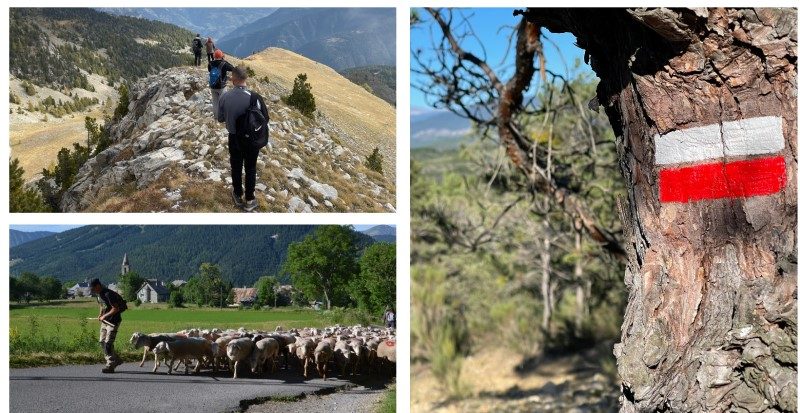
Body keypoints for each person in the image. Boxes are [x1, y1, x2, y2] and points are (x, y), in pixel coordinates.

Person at [216, 66, 268, 212]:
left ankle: (238, 195)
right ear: (245, 78)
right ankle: (250, 200)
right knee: (251, 168)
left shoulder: (225, 96)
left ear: (233, 78)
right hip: (251, 140)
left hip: (234, 138)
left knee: (236, 166)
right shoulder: (255, 97)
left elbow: (220, 118)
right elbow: (265, 119)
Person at [90, 278, 126, 373]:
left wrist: (104, 316)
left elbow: (115, 308)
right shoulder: (99, 295)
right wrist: (100, 314)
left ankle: (110, 365)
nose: (92, 291)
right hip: (105, 322)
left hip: (113, 321)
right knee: (102, 342)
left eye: (93, 289)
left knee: (108, 344)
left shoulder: (108, 294)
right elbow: (102, 305)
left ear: (98, 286)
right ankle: (116, 360)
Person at [208, 49, 235, 117]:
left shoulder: (210, 63)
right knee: (223, 102)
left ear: (214, 56)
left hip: (213, 85)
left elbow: (209, 70)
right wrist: (224, 60)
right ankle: (223, 117)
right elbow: (233, 68)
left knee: (215, 102)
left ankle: (216, 117)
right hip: (221, 86)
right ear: (221, 56)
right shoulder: (224, 64)